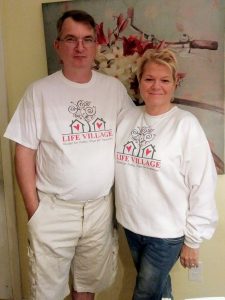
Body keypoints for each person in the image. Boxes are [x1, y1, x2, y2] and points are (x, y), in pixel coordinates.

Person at [4, 9, 133, 300]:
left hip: (100, 210)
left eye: (87, 39)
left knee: (87, 287)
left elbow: (131, 137)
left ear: (96, 45)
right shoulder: (39, 92)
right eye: (71, 39)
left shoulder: (112, 90)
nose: (79, 47)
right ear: (57, 45)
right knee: (47, 292)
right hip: (53, 210)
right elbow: (24, 152)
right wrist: (34, 211)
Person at [115, 48, 218, 300]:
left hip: (166, 234)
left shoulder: (185, 125)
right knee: (159, 290)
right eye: (149, 78)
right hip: (131, 226)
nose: (156, 86)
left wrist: (193, 240)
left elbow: (202, 185)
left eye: (164, 80)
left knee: (145, 295)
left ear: (174, 84)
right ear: (139, 81)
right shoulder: (127, 119)